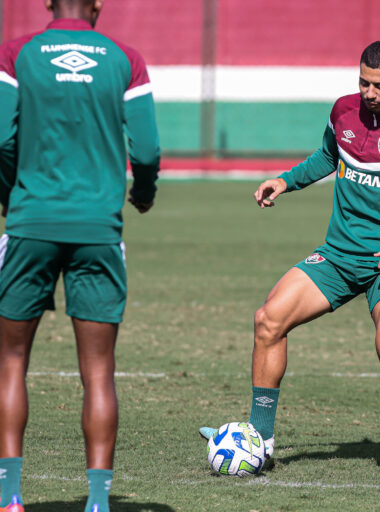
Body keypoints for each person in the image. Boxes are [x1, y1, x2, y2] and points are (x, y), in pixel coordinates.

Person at [199, 41, 380, 476]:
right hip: (338, 256)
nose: (369, 92)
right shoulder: (343, 110)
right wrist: (286, 181)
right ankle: (260, 440)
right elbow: (328, 156)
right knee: (269, 320)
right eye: (363, 81)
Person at [0, 0, 160, 510]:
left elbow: (2, 139)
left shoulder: (15, 54)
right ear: (98, 4)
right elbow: (148, 152)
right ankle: (97, 502)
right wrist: (144, 193)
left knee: (10, 363)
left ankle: (10, 497)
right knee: (98, 370)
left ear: (47, 1)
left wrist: (12, 197)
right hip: (98, 228)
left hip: (30, 223)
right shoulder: (125, 58)